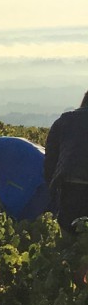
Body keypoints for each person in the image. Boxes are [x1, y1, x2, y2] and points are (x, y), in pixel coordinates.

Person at [44, 90, 88, 234]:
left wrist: (51, 185)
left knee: (68, 235)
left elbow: (51, 157)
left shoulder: (65, 120)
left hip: (70, 184)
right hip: (72, 182)